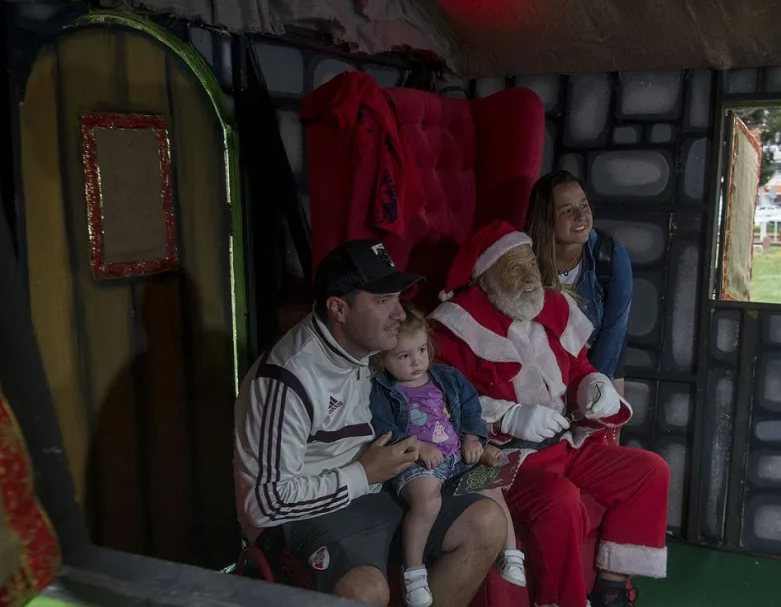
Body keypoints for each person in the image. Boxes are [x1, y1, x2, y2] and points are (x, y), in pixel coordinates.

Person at [233, 240, 505, 607]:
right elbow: (262, 505)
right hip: (308, 513)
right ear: (338, 309)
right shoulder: (286, 379)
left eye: (397, 297)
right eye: (382, 301)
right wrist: (363, 474)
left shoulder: (374, 350)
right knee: (366, 591)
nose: (399, 313)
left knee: (487, 522)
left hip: (376, 490)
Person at [429, 220, 669, 607]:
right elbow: (440, 405)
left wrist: (595, 386)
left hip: (564, 445)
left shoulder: (552, 308)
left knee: (650, 471)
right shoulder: (454, 327)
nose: (530, 278)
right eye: (515, 268)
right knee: (559, 498)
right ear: (487, 278)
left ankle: (610, 588)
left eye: (532, 265)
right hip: (499, 461)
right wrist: (507, 416)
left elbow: (578, 368)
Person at [370, 304, 526, 607]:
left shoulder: (448, 377)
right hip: (415, 463)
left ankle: (509, 554)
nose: (416, 362)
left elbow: (470, 409)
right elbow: (383, 430)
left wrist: (472, 436)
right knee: (427, 499)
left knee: (491, 484)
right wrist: (418, 447)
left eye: (421, 351)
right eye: (404, 356)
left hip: (454, 457)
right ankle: (413, 571)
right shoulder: (381, 390)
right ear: (381, 359)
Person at [524, 171, 633, 392]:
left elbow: (614, 330)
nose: (581, 215)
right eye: (566, 210)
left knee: (607, 415)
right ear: (546, 218)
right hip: (544, 365)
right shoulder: (523, 257)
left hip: (598, 359)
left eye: (583, 205)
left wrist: (593, 386)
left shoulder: (610, 255)